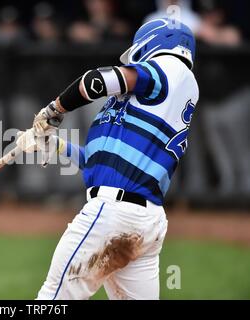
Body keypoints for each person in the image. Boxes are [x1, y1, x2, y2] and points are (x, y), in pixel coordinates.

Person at [16, 18, 199, 299]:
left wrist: (53, 110)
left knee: (53, 298)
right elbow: (97, 162)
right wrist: (53, 144)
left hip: (112, 214)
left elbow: (94, 81)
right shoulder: (152, 97)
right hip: (141, 221)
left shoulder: (170, 69)